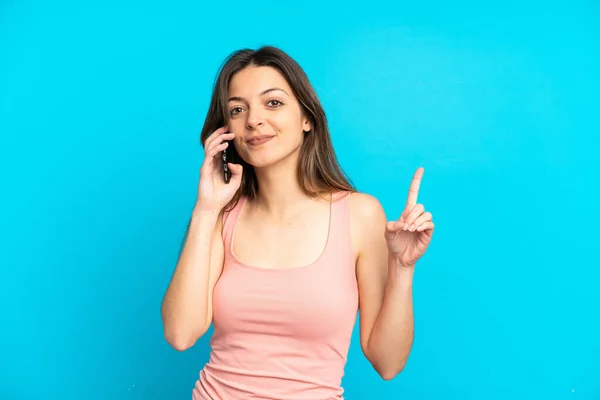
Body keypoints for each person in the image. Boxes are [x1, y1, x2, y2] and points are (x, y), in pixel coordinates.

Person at [161, 46, 435, 400]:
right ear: (227, 129)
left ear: (307, 117)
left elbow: (388, 363)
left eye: (272, 103)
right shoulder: (221, 216)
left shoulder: (360, 214)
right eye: (238, 109)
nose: (254, 120)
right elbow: (180, 333)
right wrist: (205, 209)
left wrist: (402, 268)